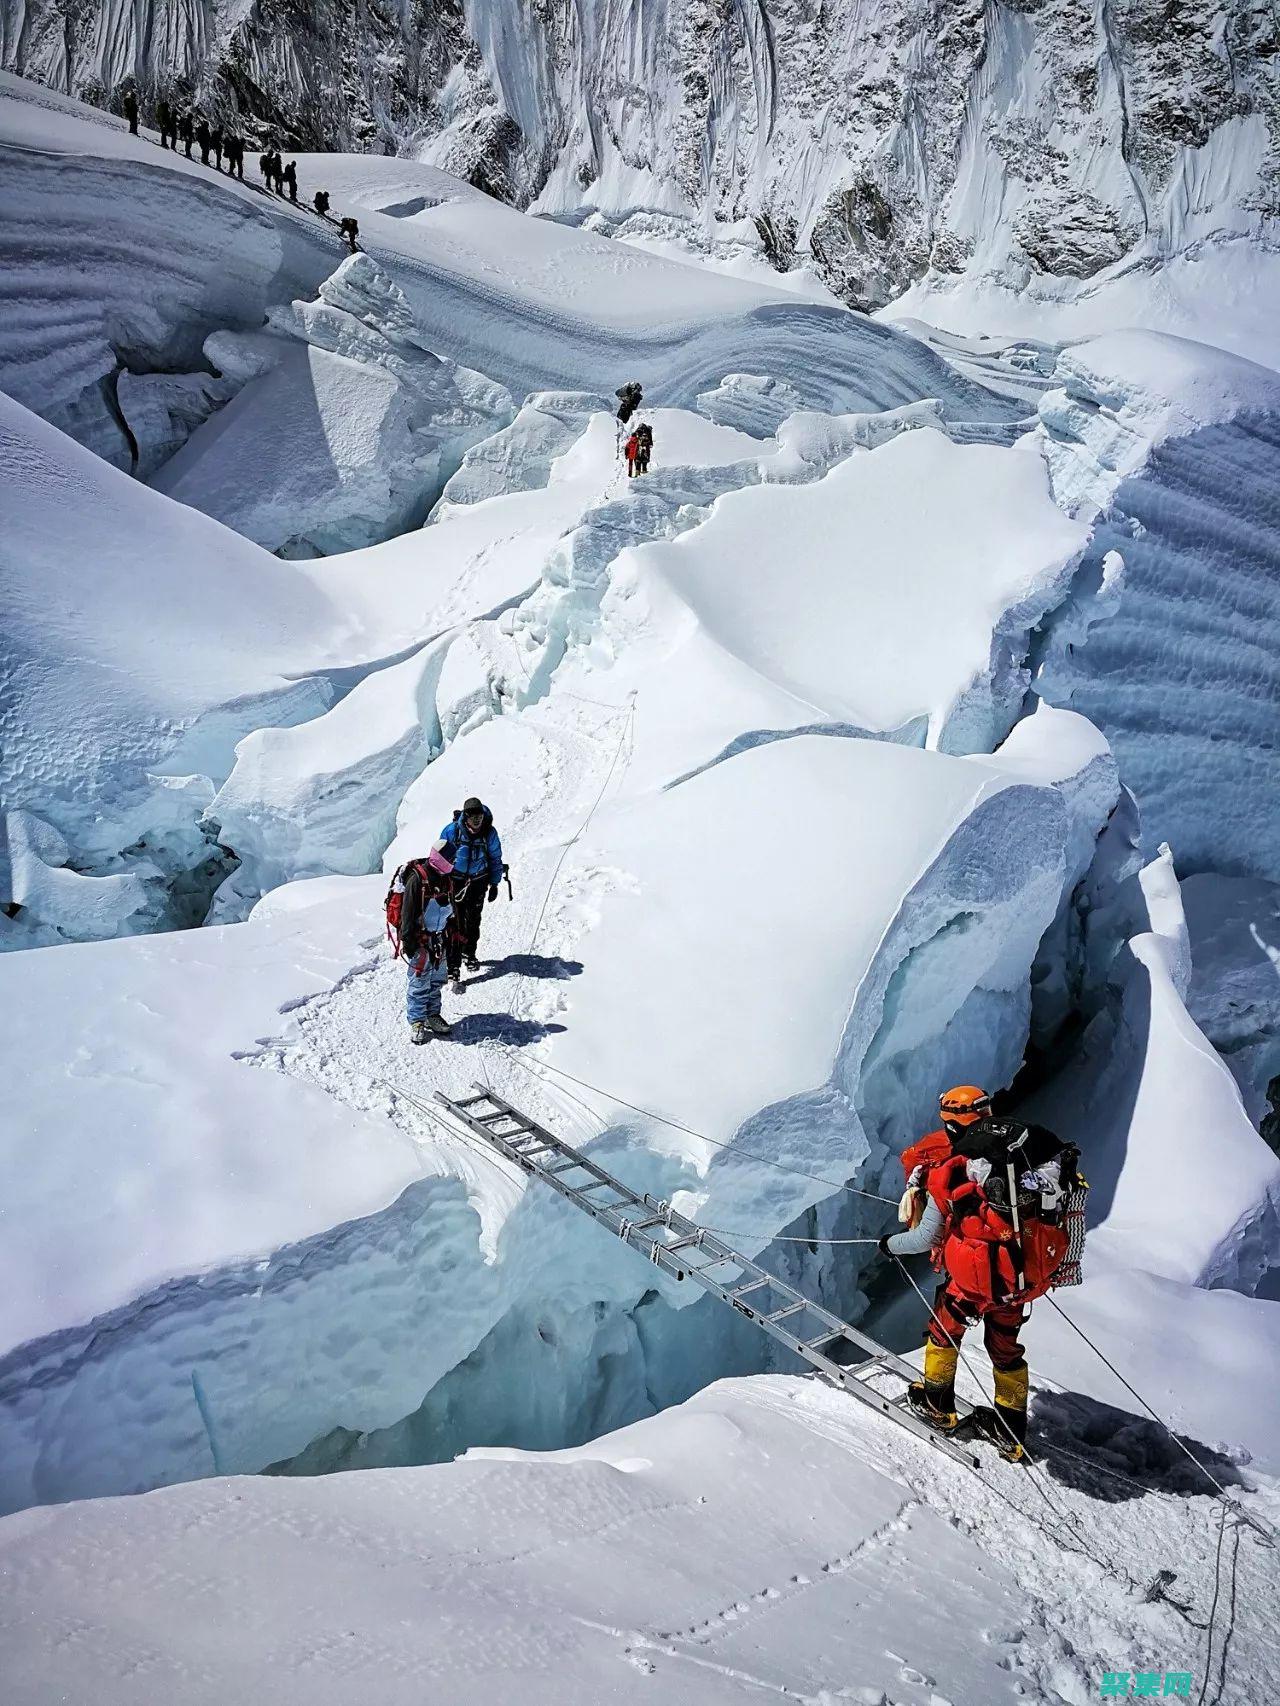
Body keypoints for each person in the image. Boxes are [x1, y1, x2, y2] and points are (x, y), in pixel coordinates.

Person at [880, 1086, 1078, 1462]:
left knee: (944, 1330)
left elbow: (925, 1238)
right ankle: (1010, 1432)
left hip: (972, 1281)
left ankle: (937, 1405)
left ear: (953, 1124)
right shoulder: (1026, 1153)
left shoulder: (953, 1170)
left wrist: (889, 1245)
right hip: (1020, 1280)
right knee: (1004, 1348)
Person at [388, 842, 458, 1043]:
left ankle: (432, 1015)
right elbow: (407, 913)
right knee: (419, 982)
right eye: (451, 859)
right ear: (442, 859)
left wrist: (453, 934)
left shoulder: (446, 878)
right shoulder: (418, 879)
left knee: (436, 980)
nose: (454, 863)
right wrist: (409, 943)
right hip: (420, 940)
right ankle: (417, 1021)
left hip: (439, 938)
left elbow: (452, 908)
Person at [438, 797, 504, 982]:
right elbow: (439, 858)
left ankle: (469, 954)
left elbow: (495, 859)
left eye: (479, 815)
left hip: (478, 881)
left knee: (473, 920)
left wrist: (495, 883)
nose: (477, 819)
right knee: (454, 923)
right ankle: (453, 964)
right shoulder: (452, 832)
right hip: (456, 883)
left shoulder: (489, 833)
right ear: (465, 816)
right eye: (473, 815)